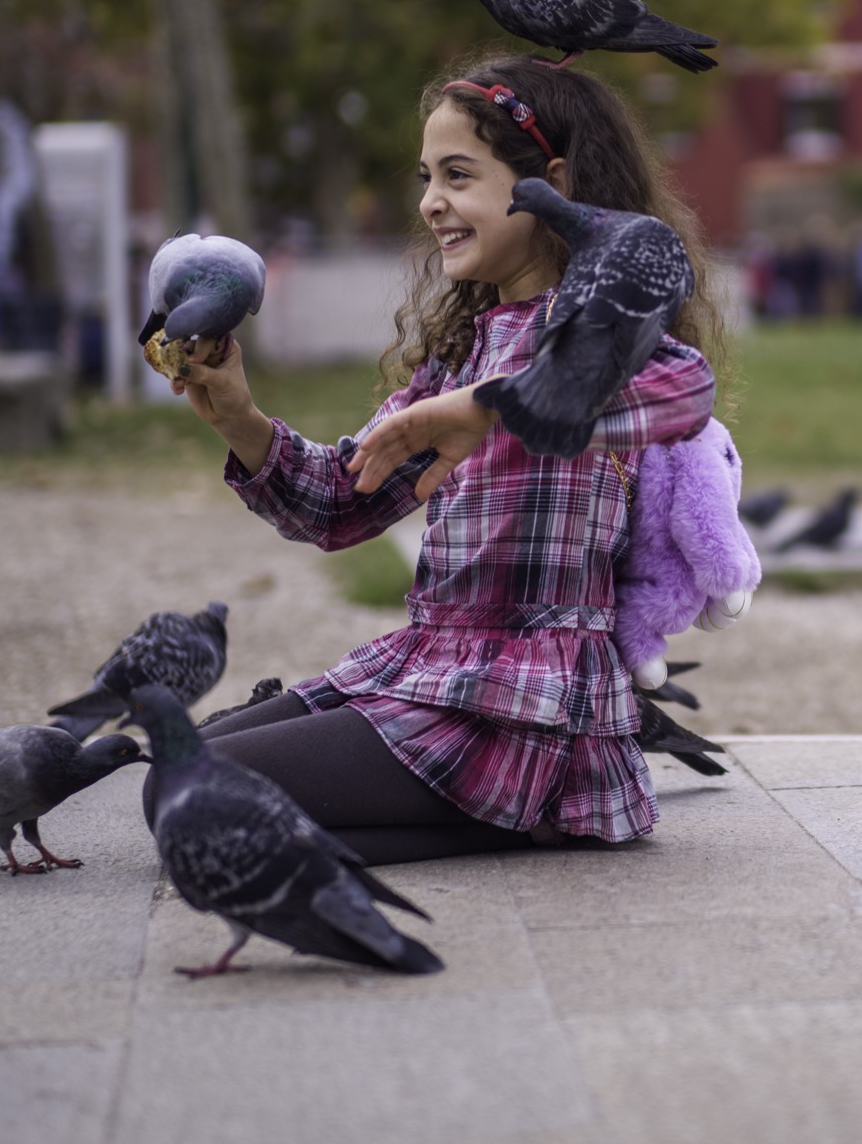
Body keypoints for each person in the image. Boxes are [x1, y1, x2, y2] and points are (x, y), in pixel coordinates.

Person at [153, 55, 720, 864]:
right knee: (180, 766)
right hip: (433, 668)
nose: (430, 202)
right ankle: (511, 820)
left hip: (526, 704)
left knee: (197, 804)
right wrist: (241, 418)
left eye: (458, 174)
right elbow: (340, 506)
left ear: (548, 181)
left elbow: (685, 394)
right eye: (426, 177)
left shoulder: (595, 325)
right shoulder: (461, 352)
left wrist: (491, 409)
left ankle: (535, 810)